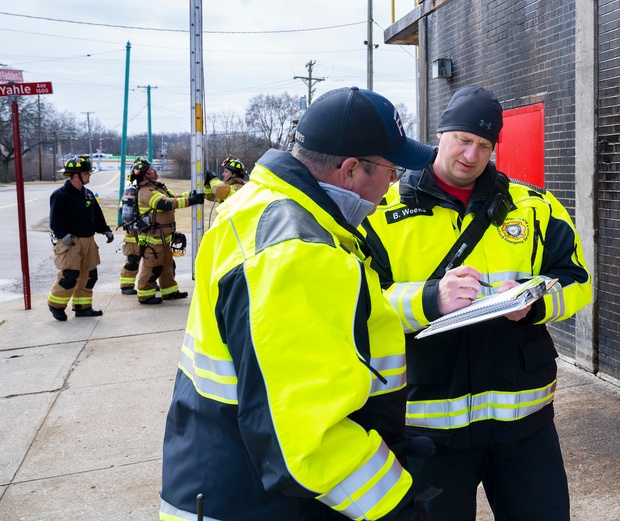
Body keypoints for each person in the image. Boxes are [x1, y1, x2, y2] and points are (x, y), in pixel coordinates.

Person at [159, 86, 438, 521]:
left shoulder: (260, 207)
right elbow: (307, 440)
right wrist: (396, 506)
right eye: (390, 169)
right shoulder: (297, 250)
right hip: (261, 503)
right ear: (350, 171)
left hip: (224, 477)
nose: (392, 186)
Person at [364, 86, 593, 521]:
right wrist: (431, 299)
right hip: (430, 430)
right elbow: (360, 302)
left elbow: (578, 280)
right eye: (463, 139)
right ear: (441, 132)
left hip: (525, 425)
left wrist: (534, 300)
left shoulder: (534, 207)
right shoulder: (381, 212)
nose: (472, 155)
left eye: (484, 145)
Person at [47, 155, 115, 321]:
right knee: (70, 276)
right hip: (70, 243)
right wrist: (63, 234)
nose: (89, 175)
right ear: (76, 175)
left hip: (88, 241)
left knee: (90, 275)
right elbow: (55, 220)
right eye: (86, 173)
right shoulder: (61, 195)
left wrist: (105, 230)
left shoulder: (88, 194)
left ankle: (82, 307)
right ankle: (55, 305)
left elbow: (97, 215)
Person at [133, 159, 204, 305]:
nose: (154, 171)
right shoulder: (146, 192)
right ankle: (145, 295)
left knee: (167, 264)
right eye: (149, 170)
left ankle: (169, 291)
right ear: (145, 176)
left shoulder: (157, 188)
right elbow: (165, 204)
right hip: (153, 238)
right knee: (152, 266)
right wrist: (191, 201)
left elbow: (173, 197)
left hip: (164, 236)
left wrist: (191, 195)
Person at [118, 157, 147, 296]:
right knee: (133, 259)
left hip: (147, 231)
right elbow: (123, 209)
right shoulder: (133, 191)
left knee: (151, 258)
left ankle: (150, 282)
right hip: (134, 231)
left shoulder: (148, 188)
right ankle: (126, 285)